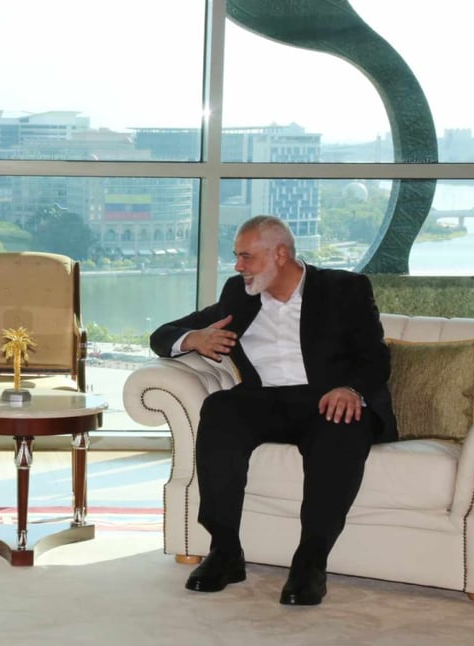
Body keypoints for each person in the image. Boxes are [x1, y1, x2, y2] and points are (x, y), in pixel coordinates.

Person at [149, 215, 396, 606]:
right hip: (265, 400)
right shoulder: (240, 294)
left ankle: (310, 563)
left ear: (280, 254)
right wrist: (194, 339)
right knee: (220, 409)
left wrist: (351, 389)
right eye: (236, 256)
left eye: (246, 256)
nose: (238, 266)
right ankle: (225, 552)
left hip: (326, 400)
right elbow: (162, 334)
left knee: (341, 427)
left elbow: (375, 356)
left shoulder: (343, 289)